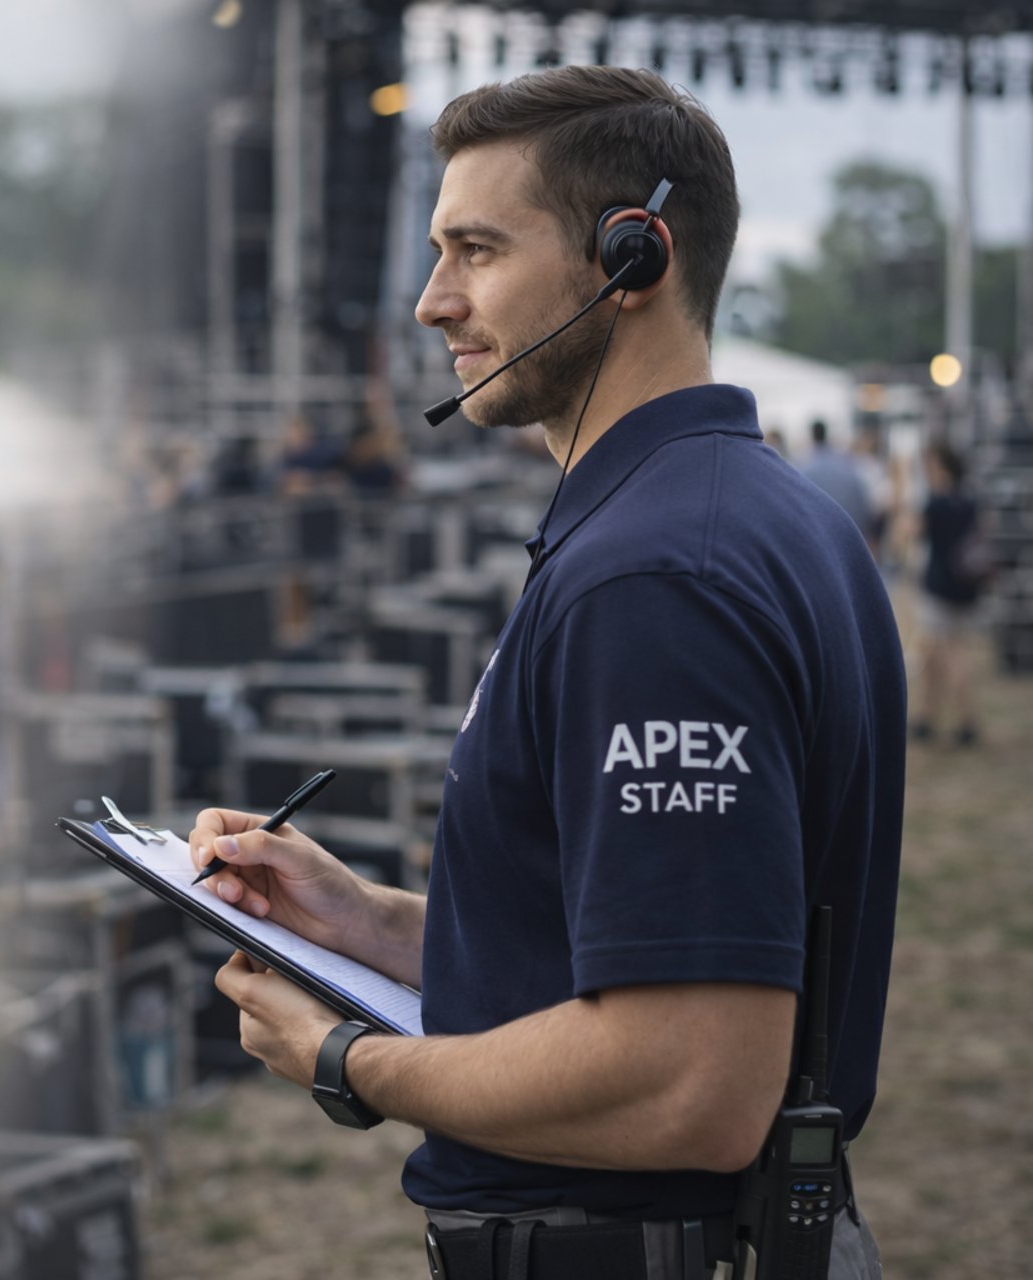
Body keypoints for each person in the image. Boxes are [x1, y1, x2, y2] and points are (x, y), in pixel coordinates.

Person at [192, 66, 900, 1280]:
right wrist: (360, 923)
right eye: (436, 250)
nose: (430, 302)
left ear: (635, 259)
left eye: (476, 250)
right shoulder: (740, 515)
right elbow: (613, 949)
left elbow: (692, 1078)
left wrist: (341, 1057)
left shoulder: (659, 579)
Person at [912, 440, 986, 745]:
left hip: (939, 588)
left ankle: (966, 721)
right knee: (933, 654)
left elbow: (910, 532)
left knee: (948, 656)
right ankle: (926, 718)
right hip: (965, 587)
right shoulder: (968, 500)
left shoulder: (936, 503)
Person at [800, 418, 877, 555]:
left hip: (816, 546)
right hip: (848, 543)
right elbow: (863, 506)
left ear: (812, 436)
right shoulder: (847, 468)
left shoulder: (802, 471)